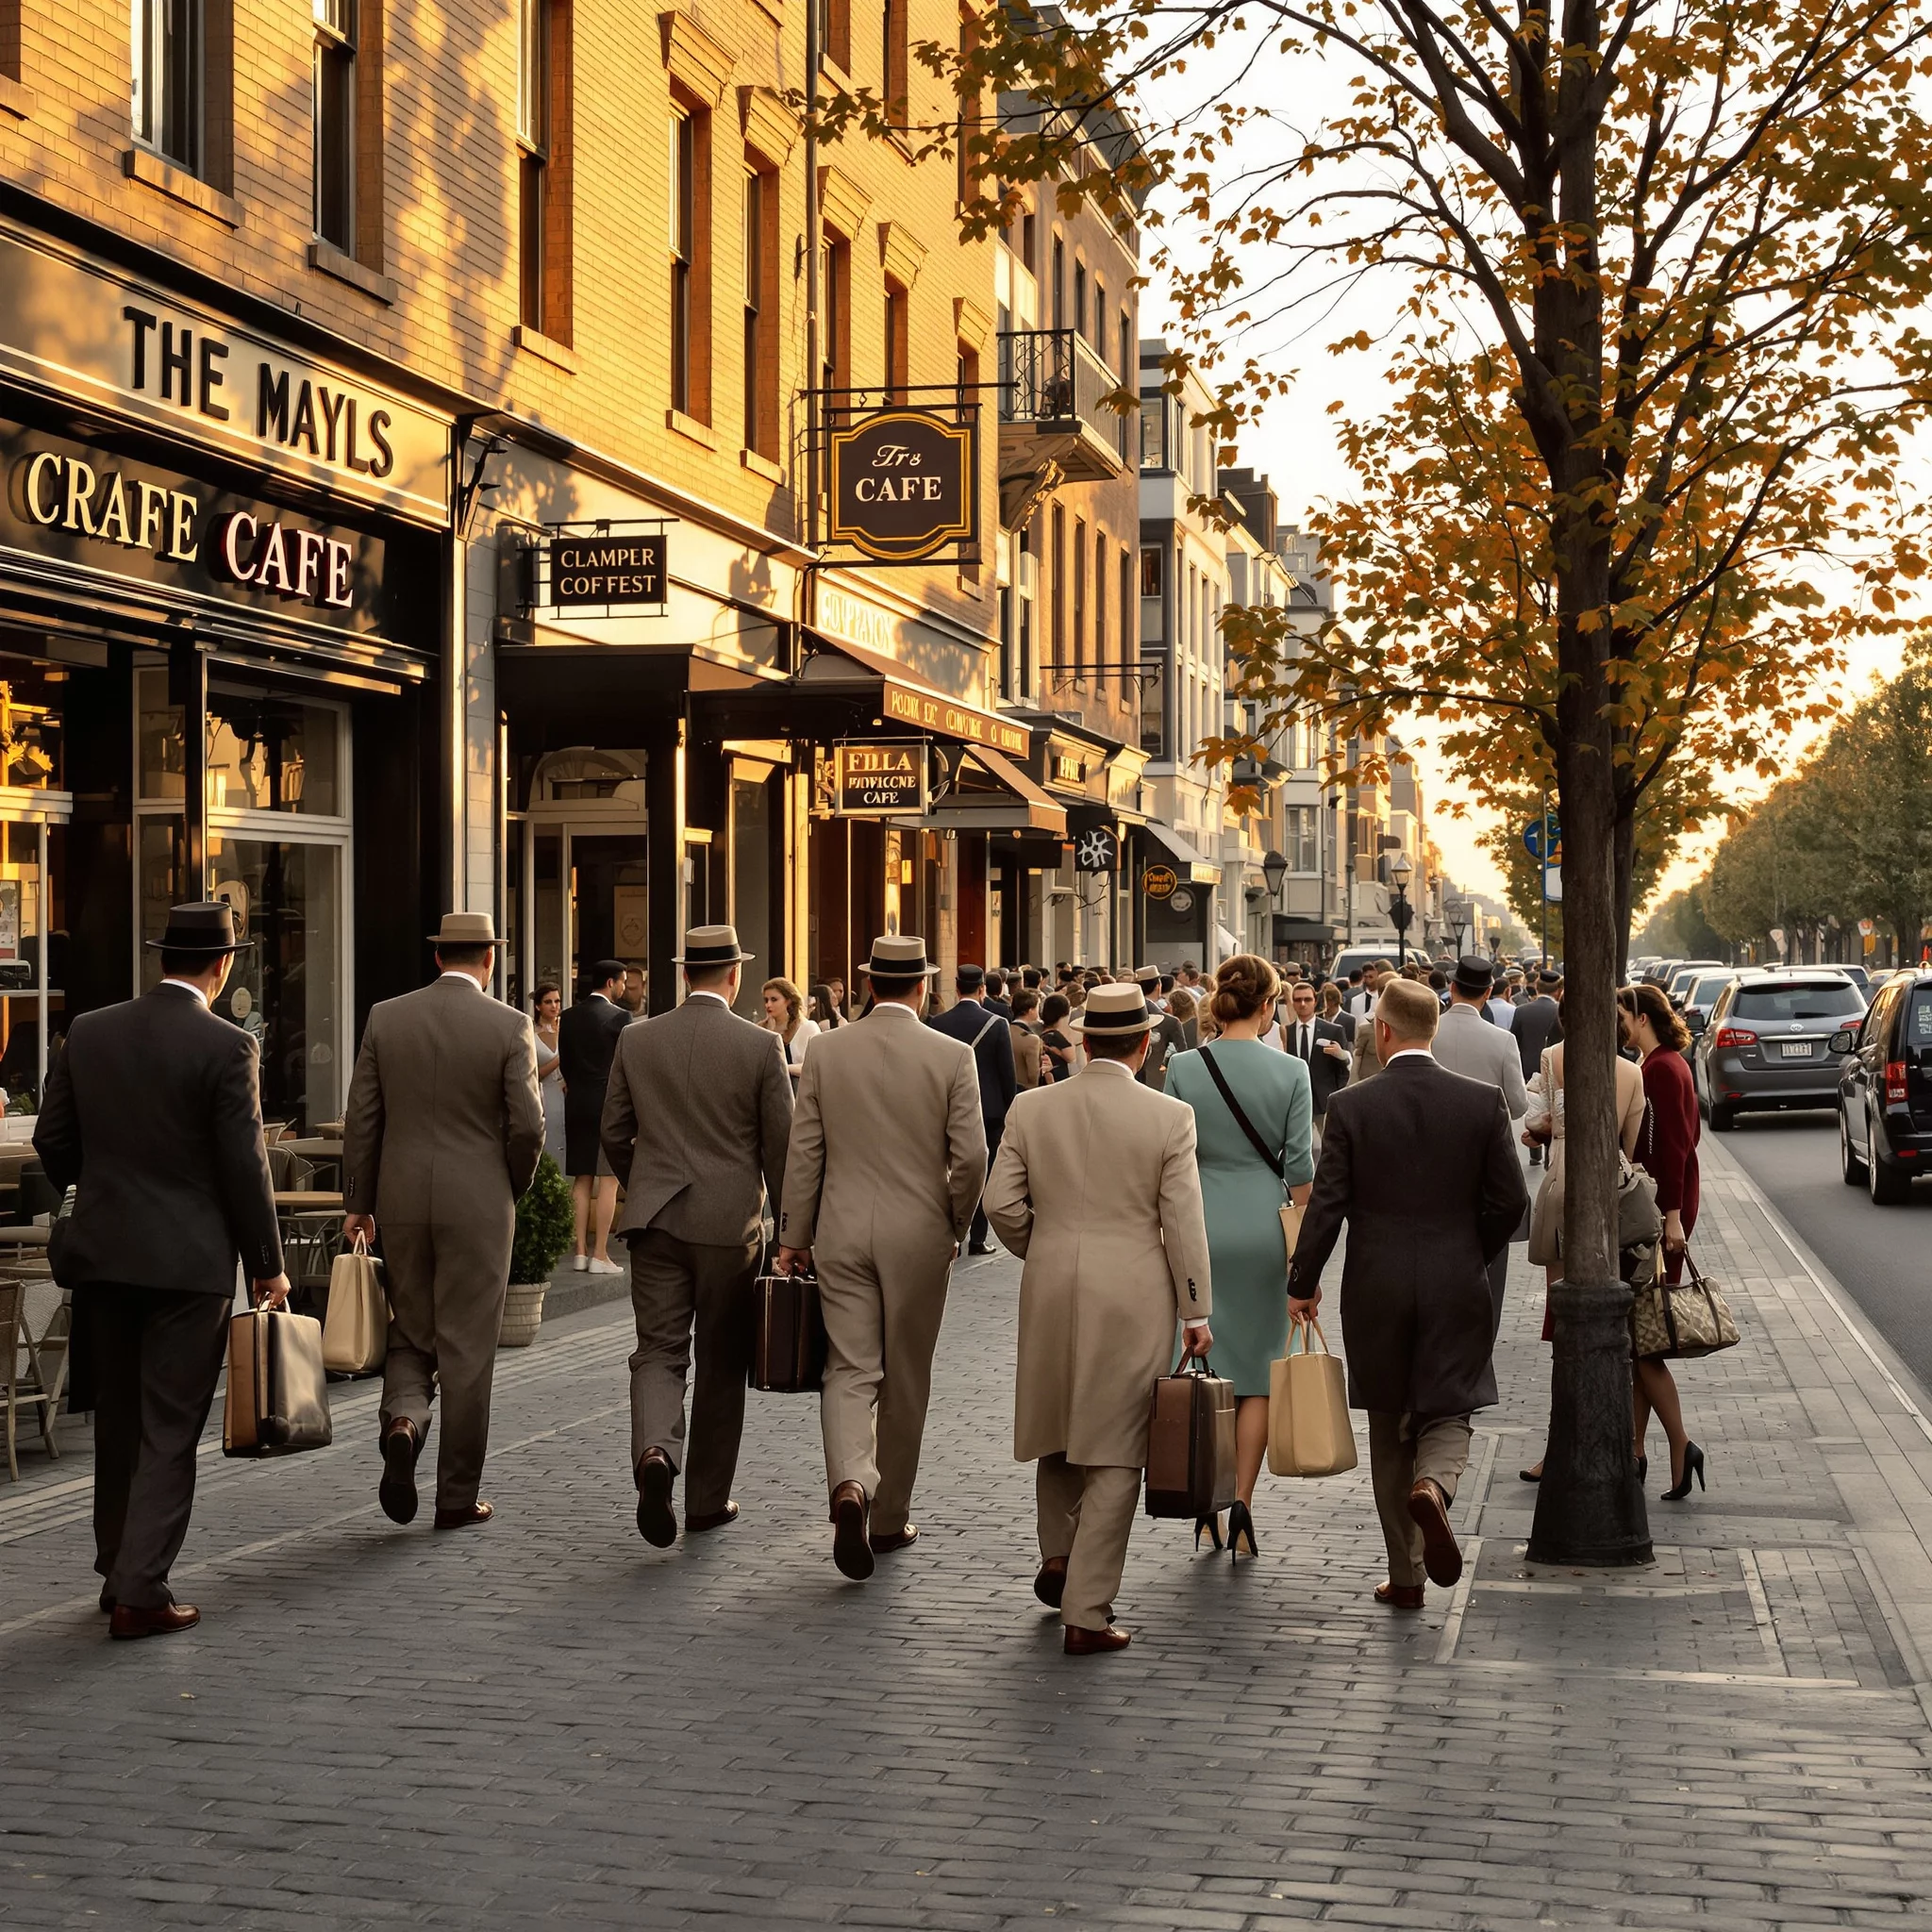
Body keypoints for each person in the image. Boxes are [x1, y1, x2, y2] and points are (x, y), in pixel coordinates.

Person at [34, 902, 289, 1640]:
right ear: (223, 966)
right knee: (171, 1427)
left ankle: (118, 1568)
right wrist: (267, 1265)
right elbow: (246, 1169)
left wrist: (107, 1188)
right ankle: (143, 1590)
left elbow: (53, 1139)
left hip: (106, 1255)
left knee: (118, 1420)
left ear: (161, 960)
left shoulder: (90, 1031)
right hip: (189, 1264)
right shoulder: (229, 1045)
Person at [983, 982, 1214, 1654]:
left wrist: (1043, 1243)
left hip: (1051, 1281)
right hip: (1134, 1291)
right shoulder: (1169, 1117)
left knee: (1058, 1427)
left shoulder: (1032, 1109)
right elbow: (1183, 1221)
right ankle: (1087, 1608)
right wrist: (1196, 1306)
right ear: (1145, 1045)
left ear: (1083, 1042)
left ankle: (1059, 1555)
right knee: (1116, 1447)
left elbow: (1000, 1204)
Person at [1288, 977, 1527, 1608]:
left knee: (1390, 1419)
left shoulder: (1354, 1106)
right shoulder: (1480, 1104)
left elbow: (1328, 1205)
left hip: (1376, 1286)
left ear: (1383, 1031)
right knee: (1452, 1406)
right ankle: (1437, 1487)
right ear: (1435, 1031)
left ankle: (1405, 1576)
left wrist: (1302, 1283)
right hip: (1457, 1279)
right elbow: (1511, 1201)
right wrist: (1469, 1248)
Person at [774, 936, 988, 1579]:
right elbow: (972, 1157)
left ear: (869, 985)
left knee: (849, 1367)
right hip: (920, 1233)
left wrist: (793, 1237)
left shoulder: (828, 1052)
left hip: (841, 1230)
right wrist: (955, 1221)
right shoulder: (953, 1056)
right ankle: (889, 1516)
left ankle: (849, 1484)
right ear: (923, 987)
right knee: (906, 1377)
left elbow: (804, 1151)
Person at [341, 911, 545, 1533]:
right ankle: (456, 1497)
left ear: (437, 958)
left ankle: (404, 1421)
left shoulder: (386, 1017)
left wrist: (360, 1201)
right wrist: (510, 1184)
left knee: (410, 1332)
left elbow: (362, 1120)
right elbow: (529, 1127)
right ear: (489, 959)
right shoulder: (511, 1026)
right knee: (467, 1348)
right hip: (478, 1203)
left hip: (400, 1200)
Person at [603, 926, 794, 1545]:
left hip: (655, 1219)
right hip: (728, 1226)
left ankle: (656, 1454)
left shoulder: (637, 1039)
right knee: (719, 1363)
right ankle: (706, 1501)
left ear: (685, 975)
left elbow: (613, 1130)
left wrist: (646, 1182)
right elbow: (781, 1150)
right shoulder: (761, 1046)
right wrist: (790, 1228)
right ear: (735, 977)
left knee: (657, 1351)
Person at [1164, 957, 1313, 1557]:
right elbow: (1300, 1169)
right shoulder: (1293, 1070)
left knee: (1206, 1363)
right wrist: (1308, 1254)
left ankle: (1204, 1501)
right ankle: (1242, 1502)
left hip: (1196, 1221)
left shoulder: (1182, 1066)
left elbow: (1168, 1155)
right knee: (1257, 1376)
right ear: (1269, 1005)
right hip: (1262, 1227)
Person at [1517, 999, 1647, 1482]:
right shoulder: (1632, 1073)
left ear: (1563, 1022)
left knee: (1563, 1321)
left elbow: (1536, 1121)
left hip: (1562, 1182)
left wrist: (1546, 1130)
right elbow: (1633, 1146)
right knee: (1616, 1321)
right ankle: (1619, 1439)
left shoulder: (1553, 1058)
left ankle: (1559, 1445)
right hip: (1613, 1185)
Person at [1622, 981, 1706, 1501]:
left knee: (1643, 1340)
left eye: (1621, 1016)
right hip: (1661, 1207)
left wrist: (1671, 1218)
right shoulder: (1666, 1063)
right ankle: (1635, 1451)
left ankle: (1680, 1444)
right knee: (1642, 1341)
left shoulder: (1659, 1069)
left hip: (1659, 1212)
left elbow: (1672, 1146)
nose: (1618, 1025)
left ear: (1641, 1018)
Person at [1430, 957, 1531, 1337]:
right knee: (1490, 1253)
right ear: (1488, 992)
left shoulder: (1430, 1033)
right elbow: (1518, 1105)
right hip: (1486, 1165)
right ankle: (1481, 1331)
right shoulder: (1502, 1040)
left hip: (1435, 1162)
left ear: (1451, 988)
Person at [927, 965, 1017, 1256]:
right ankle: (977, 1238)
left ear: (956, 988)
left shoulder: (937, 1023)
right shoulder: (997, 1023)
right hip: (988, 1112)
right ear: (982, 990)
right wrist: (1009, 1114)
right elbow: (1007, 1074)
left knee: (944, 1170)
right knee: (980, 1171)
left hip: (944, 1107)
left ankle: (946, 1229)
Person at [558, 959, 631, 1274]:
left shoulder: (569, 1016)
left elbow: (565, 1062)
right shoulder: (620, 1017)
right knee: (609, 1180)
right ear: (612, 982)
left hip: (576, 1101)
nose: (625, 987)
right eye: (623, 981)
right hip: (608, 1103)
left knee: (581, 1178)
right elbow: (624, 1065)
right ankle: (600, 1254)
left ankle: (579, 1252)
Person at [1283, 978, 1352, 1137]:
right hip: (1296, 1099)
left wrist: (1336, 1091)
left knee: (1330, 1142)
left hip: (1325, 1097)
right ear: (1292, 1003)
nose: (1302, 1004)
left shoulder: (1333, 1030)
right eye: (1298, 1000)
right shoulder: (1287, 1031)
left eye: (1307, 999)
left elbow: (1343, 1068)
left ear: (1315, 1001)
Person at [1512, 972, 1564, 1164]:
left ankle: (1535, 1151)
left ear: (1537, 988)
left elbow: (1515, 1041)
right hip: (1557, 1066)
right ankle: (1550, 1150)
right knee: (1554, 1113)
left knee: (1535, 1109)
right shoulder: (1560, 1009)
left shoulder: (1522, 1011)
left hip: (1530, 1068)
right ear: (1558, 991)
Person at [1133, 965, 1188, 1091]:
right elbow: (1182, 1055)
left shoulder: (1123, 1017)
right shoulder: (1170, 1021)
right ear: (1158, 986)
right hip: (1159, 1084)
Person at [531, 983, 567, 1166]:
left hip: (566, 1094)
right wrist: (561, 1058)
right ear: (538, 1006)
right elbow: (534, 1074)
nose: (554, 1006)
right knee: (548, 1141)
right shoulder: (530, 1033)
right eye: (548, 1002)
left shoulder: (566, 1029)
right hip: (543, 1094)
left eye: (557, 1001)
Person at [760, 975, 819, 1084]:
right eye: (766, 1000)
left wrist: (783, 1068)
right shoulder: (761, 1028)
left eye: (774, 999)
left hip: (797, 1093)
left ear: (788, 1001)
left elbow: (814, 1067)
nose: (768, 1005)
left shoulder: (807, 1027)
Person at [1009, 988, 1046, 1090]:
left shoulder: (1004, 1031)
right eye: (1037, 1007)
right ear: (1030, 1011)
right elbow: (1033, 1076)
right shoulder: (1031, 1040)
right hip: (1025, 1091)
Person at [1039, 992, 1076, 1083]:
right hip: (1058, 1080)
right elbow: (1072, 1057)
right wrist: (1059, 1052)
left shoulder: (1042, 1033)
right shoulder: (1056, 1036)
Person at [1321, 980, 1357, 1044]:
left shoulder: (1349, 1020)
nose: (1323, 1003)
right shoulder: (1318, 1017)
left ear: (1333, 1001)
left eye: (1325, 1000)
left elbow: (1350, 1045)